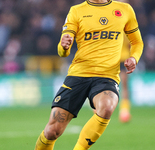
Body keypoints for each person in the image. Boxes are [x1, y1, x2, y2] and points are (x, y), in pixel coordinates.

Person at [35, 0, 143, 150]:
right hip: (78, 75)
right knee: (52, 131)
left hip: (107, 75)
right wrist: (63, 46)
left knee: (107, 106)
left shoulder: (124, 9)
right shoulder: (76, 11)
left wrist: (134, 58)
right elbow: (62, 52)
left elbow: (137, 42)